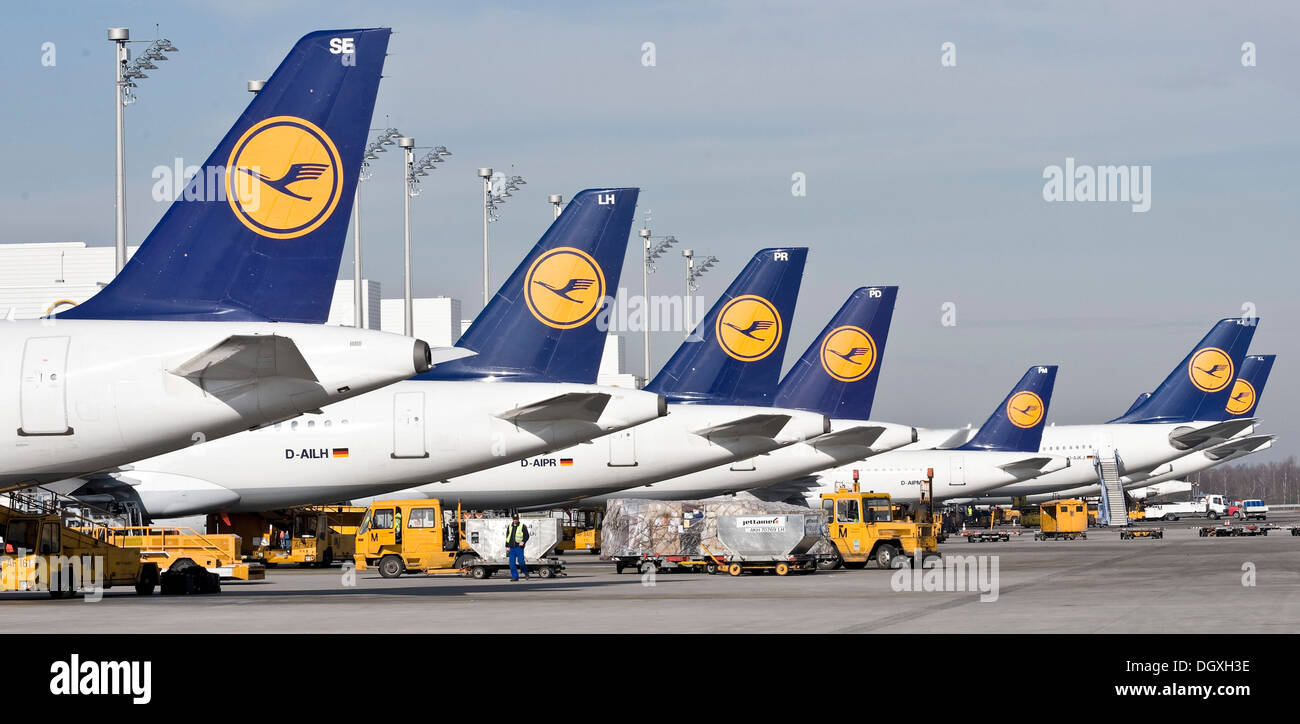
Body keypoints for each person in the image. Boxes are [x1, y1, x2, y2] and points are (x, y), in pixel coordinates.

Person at [505, 515, 530, 581]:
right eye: (514, 519)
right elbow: (507, 537)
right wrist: (507, 546)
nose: (515, 520)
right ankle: (515, 577)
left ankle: (526, 572)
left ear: (518, 519)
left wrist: (523, 541)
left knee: (521, 562)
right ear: (512, 519)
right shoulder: (510, 526)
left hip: (519, 547)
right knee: (512, 563)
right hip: (511, 548)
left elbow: (526, 535)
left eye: (516, 519)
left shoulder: (522, 526)